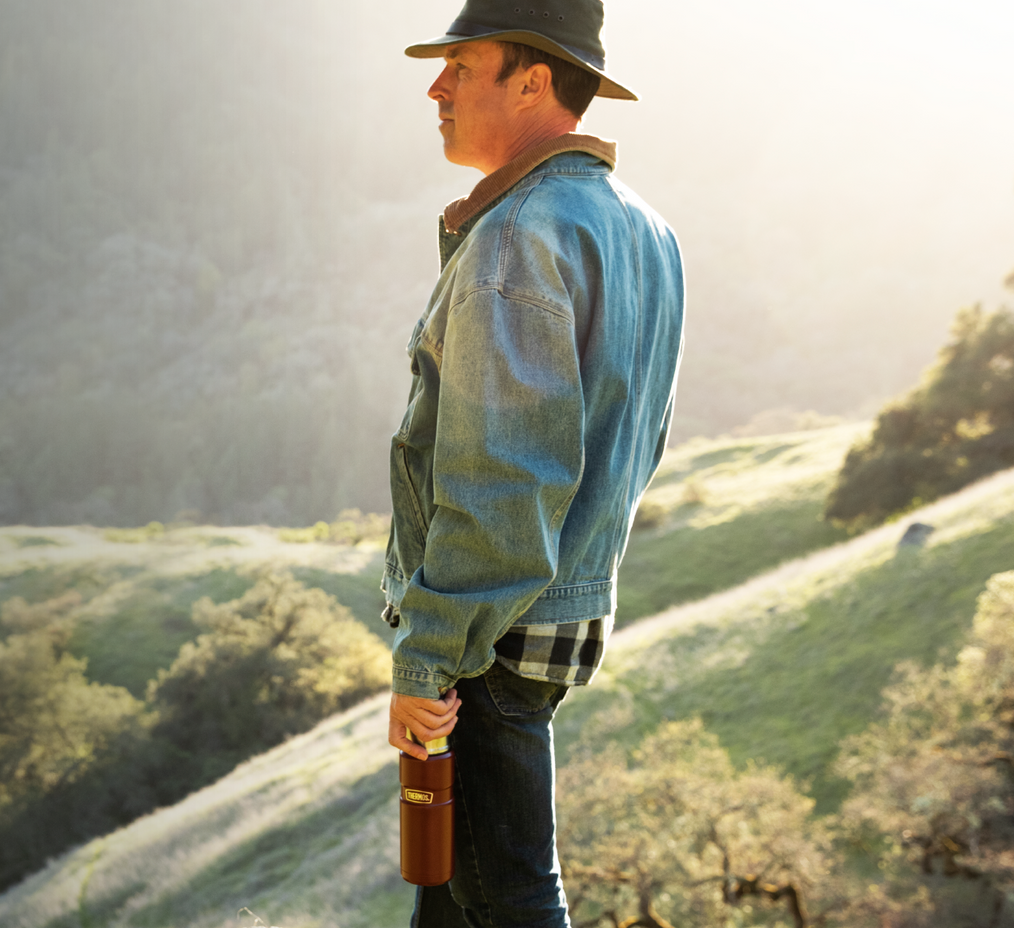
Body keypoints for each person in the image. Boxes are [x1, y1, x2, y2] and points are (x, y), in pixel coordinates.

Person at [377, 1, 683, 925]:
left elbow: (504, 478)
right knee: (451, 898)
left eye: (462, 67)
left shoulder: (515, 238)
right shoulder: (644, 228)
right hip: (554, 614)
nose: (435, 88)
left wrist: (429, 658)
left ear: (533, 81)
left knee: (509, 899)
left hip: (490, 634)